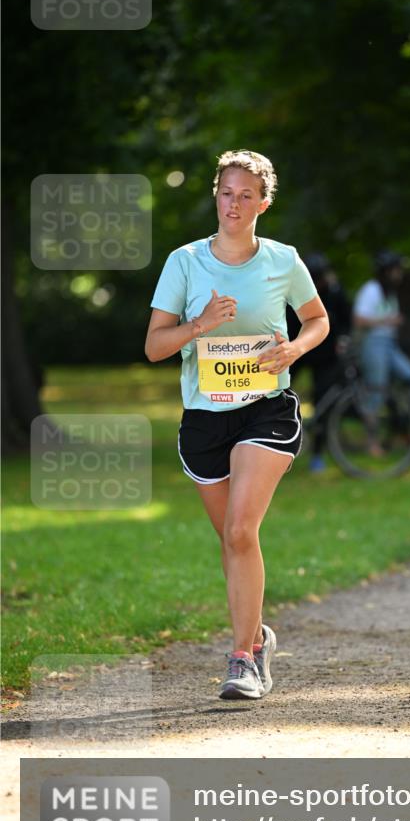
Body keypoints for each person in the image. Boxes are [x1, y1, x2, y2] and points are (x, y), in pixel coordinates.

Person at [145, 149, 329, 698]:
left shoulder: (282, 260)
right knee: (231, 542)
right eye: (228, 192)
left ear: (263, 203)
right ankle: (259, 634)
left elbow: (317, 320)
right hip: (204, 419)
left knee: (241, 530)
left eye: (247, 194)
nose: (235, 203)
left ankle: (243, 658)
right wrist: (199, 324)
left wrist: (293, 349)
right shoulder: (184, 262)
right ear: (216, 196)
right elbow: (155, 346)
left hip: (265, 409)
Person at [353, 251, 410, 457]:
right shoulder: (372, 289)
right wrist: (387, 321)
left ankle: (400, 421)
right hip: (373, 344)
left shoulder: (389, 293)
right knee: (376, 393)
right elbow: (359, 320)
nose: (399, 274)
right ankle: (372, 443)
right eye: (396, 270)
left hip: (389, 344)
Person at [287, 253, 352, 472]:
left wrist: (343, 340)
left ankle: (317, 454)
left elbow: (345, 320)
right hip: (296, 349)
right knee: (277, 391)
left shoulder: (335, 292)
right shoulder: (295, 290)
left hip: (325, 355)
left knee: (324, 401)